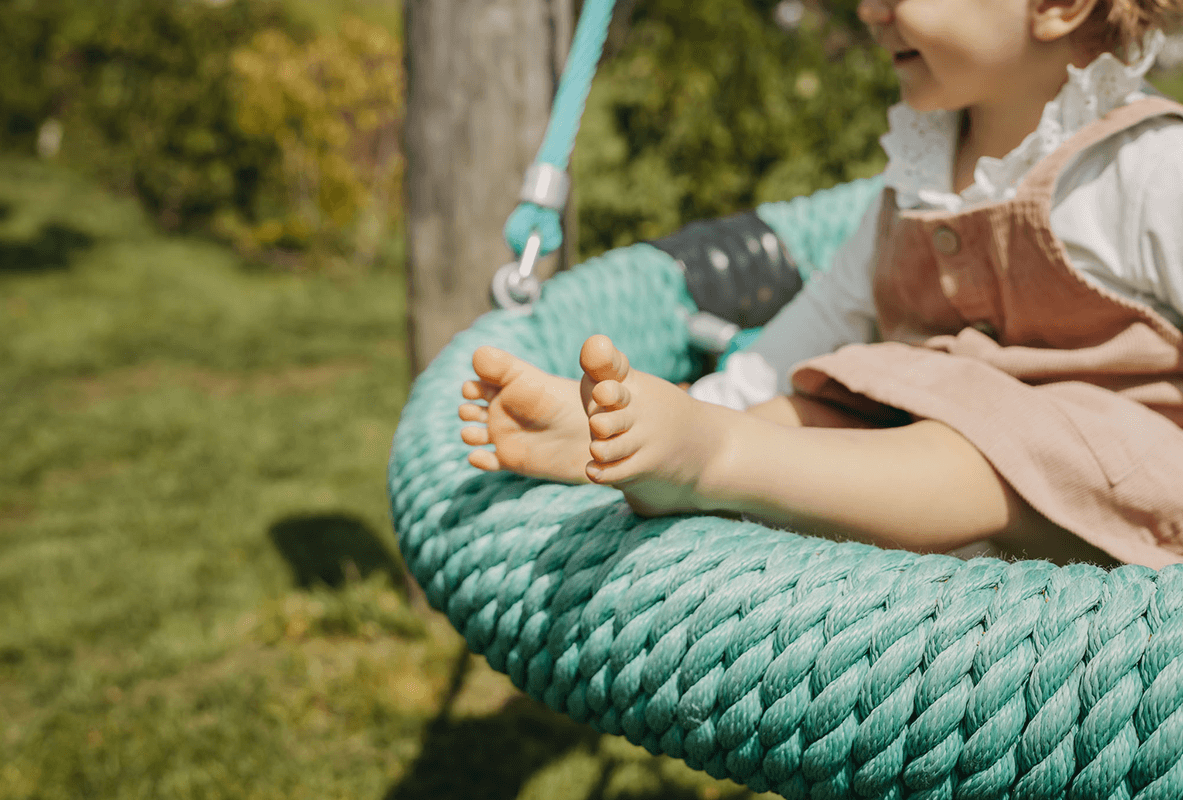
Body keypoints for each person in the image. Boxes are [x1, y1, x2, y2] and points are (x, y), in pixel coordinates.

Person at [459, 0, 1183, 568]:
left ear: (1057, 3)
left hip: (1112, 481)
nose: (869, 10)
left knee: (980, 446)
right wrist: (712, 401)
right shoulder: (920, 169)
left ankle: (714, 458)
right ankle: (651, 444)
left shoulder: (1147, 168)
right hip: (925, 450)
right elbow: (829, 312)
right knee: (820, 399)